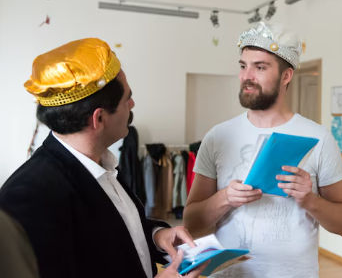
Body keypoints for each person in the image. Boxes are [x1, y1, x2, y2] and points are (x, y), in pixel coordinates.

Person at [0, 38, 202, 278]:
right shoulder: (29, 197)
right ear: (99, 119)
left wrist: (157, 235)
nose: (132, 104)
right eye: (127, 98)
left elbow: (114, 232)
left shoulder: (101, 164)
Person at [183, 22, 342, 278]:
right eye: (243, 66)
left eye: (260, 67)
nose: (246, 76)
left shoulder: (319, 138)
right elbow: (191, 223)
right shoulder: (218, 137)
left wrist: (309, 200)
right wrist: (225, 198)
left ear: (286, 76)